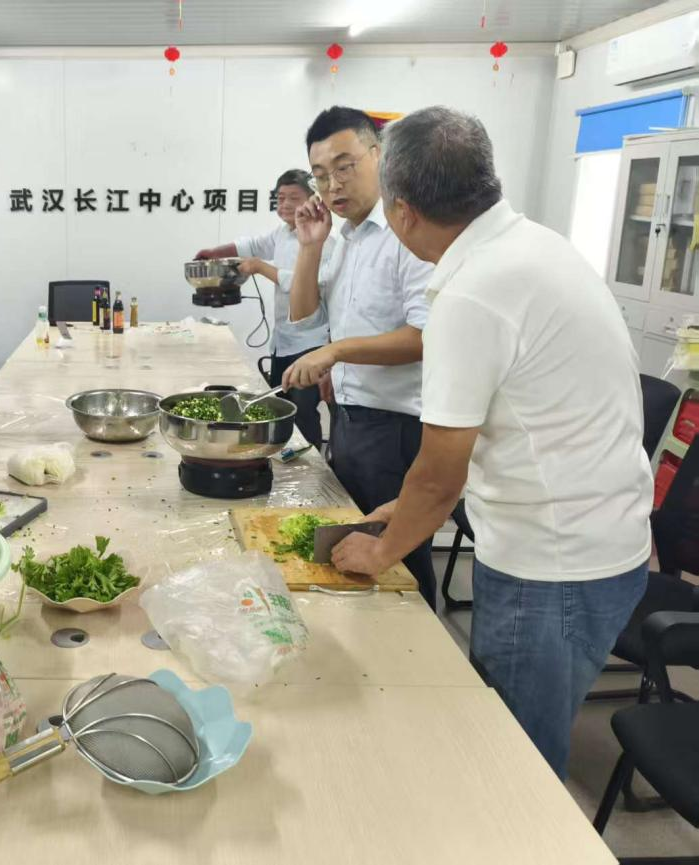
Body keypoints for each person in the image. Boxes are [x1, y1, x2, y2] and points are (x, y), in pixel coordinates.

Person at [330, 106, 652, 777]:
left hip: (551, 567)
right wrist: (407, 509)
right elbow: (524, 420)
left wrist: (382, 549)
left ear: (402, 211)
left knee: (513, 765)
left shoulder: (472, 292)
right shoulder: (534, 245)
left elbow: (438, 471)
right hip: (601, 543)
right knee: (514, 739)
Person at [280, 106, 437, 608]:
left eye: (344, 167)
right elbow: (303, 316)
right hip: (349, 420)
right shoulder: (345, 237)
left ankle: (420, 650)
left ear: (379, 155)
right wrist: (309, 246)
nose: (333, 185)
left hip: (396, 428)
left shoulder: (408, 232)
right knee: (353, 555)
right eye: (321, 175)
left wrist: (339, 352)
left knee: (398, 564)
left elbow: (427, 337)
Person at [194, 169, 330, 447]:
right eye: (280, 198)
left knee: (302, 412)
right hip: (283, 341)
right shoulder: (283, 233)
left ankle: (311, 463)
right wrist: (215, 253)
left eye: (294, 198)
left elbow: (306, 284)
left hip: (311, 343)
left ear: (313, 199)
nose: (286, 204)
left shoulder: (325, 238)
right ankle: (284, 454)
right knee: (280, 407)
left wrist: (259, 267)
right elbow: (252, 245)